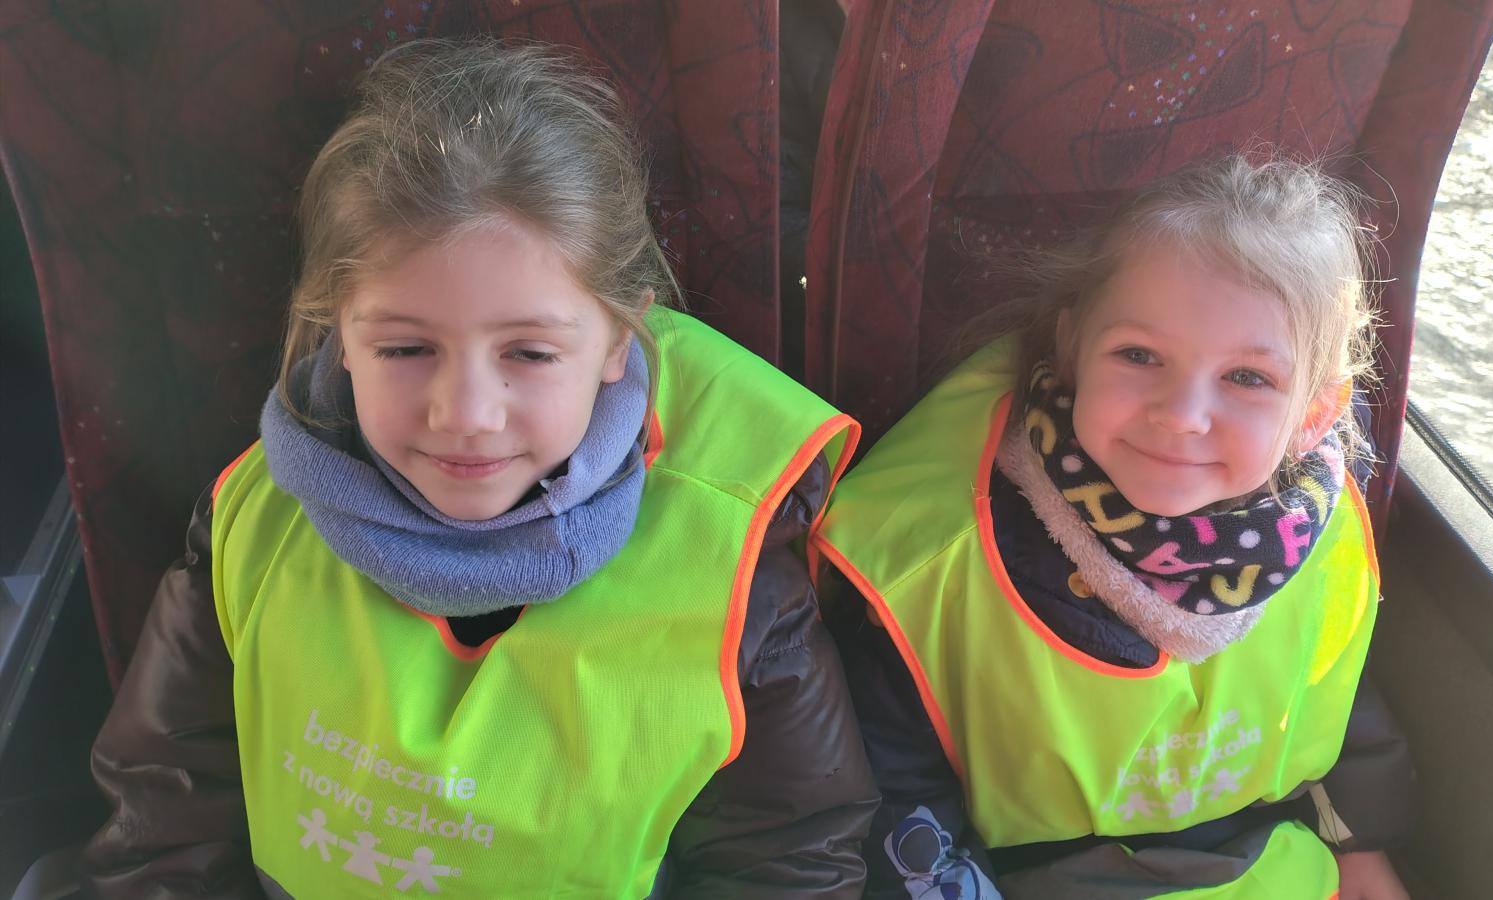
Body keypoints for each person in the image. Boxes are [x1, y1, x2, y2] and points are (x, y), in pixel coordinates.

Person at [82, 37, 878, 899]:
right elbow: (162, 828)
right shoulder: (250, 525)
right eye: (405, 348)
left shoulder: (733, 570)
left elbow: (786, 863)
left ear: (618, 341)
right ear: (339, 334)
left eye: (529, 353)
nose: (464, 414)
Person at [813, 154, 1415, 899]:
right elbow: (896, 795)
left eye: (1247, 378)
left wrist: (1360, 847)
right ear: (1071, 350)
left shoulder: (1322, 532)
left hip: (1266, 870)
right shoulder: (935, 562)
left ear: (1316, 413)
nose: (1182, 415)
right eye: (1139, 355)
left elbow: (1335, 693)